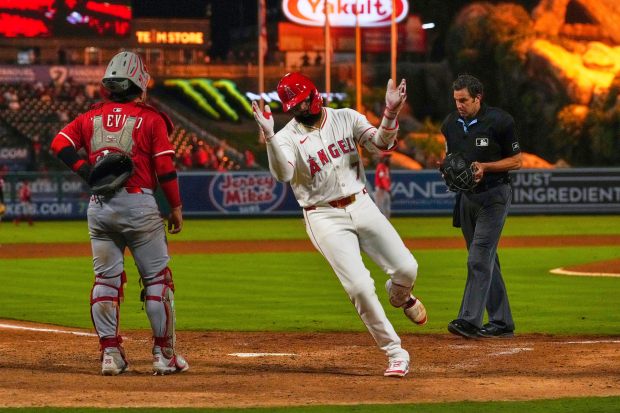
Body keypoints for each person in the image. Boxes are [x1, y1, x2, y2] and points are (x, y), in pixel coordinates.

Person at [252, 72, 427, 378]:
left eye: (301, 102)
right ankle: (395, 352)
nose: (297, 109)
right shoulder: (286, 137)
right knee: (359, 286)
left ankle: (400, 295)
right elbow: (283, 175)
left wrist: (391, 111)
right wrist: (269, 137)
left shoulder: (346, 118)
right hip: (322, 215)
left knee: (407, 270)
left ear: (314, 95)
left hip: (360, 202)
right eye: (292, 106)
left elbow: (381, 144)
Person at [50, 51, 189, 376]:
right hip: (139, 205)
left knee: (105, 281)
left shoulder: (90, 117)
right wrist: (175, 207)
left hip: (100, 206)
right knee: (157, 281)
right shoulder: (152, 119)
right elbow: (165, 168)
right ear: (139, 83)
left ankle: (110, 354)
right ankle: (163, 356)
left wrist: (88, 173)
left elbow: (59, 143)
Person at [440, 74, 522, 339]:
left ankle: (469, 321)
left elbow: (516, 161)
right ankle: (501, 322)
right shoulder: (450, 124)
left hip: (494, 195)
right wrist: (446, 169)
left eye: (464, 100)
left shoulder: (500, 121)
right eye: (456, 100)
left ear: (478, 98)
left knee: (478, 257)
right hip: (466, 199)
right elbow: (450, 157)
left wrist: (486, 167)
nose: (459, 105)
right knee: (487, 261)